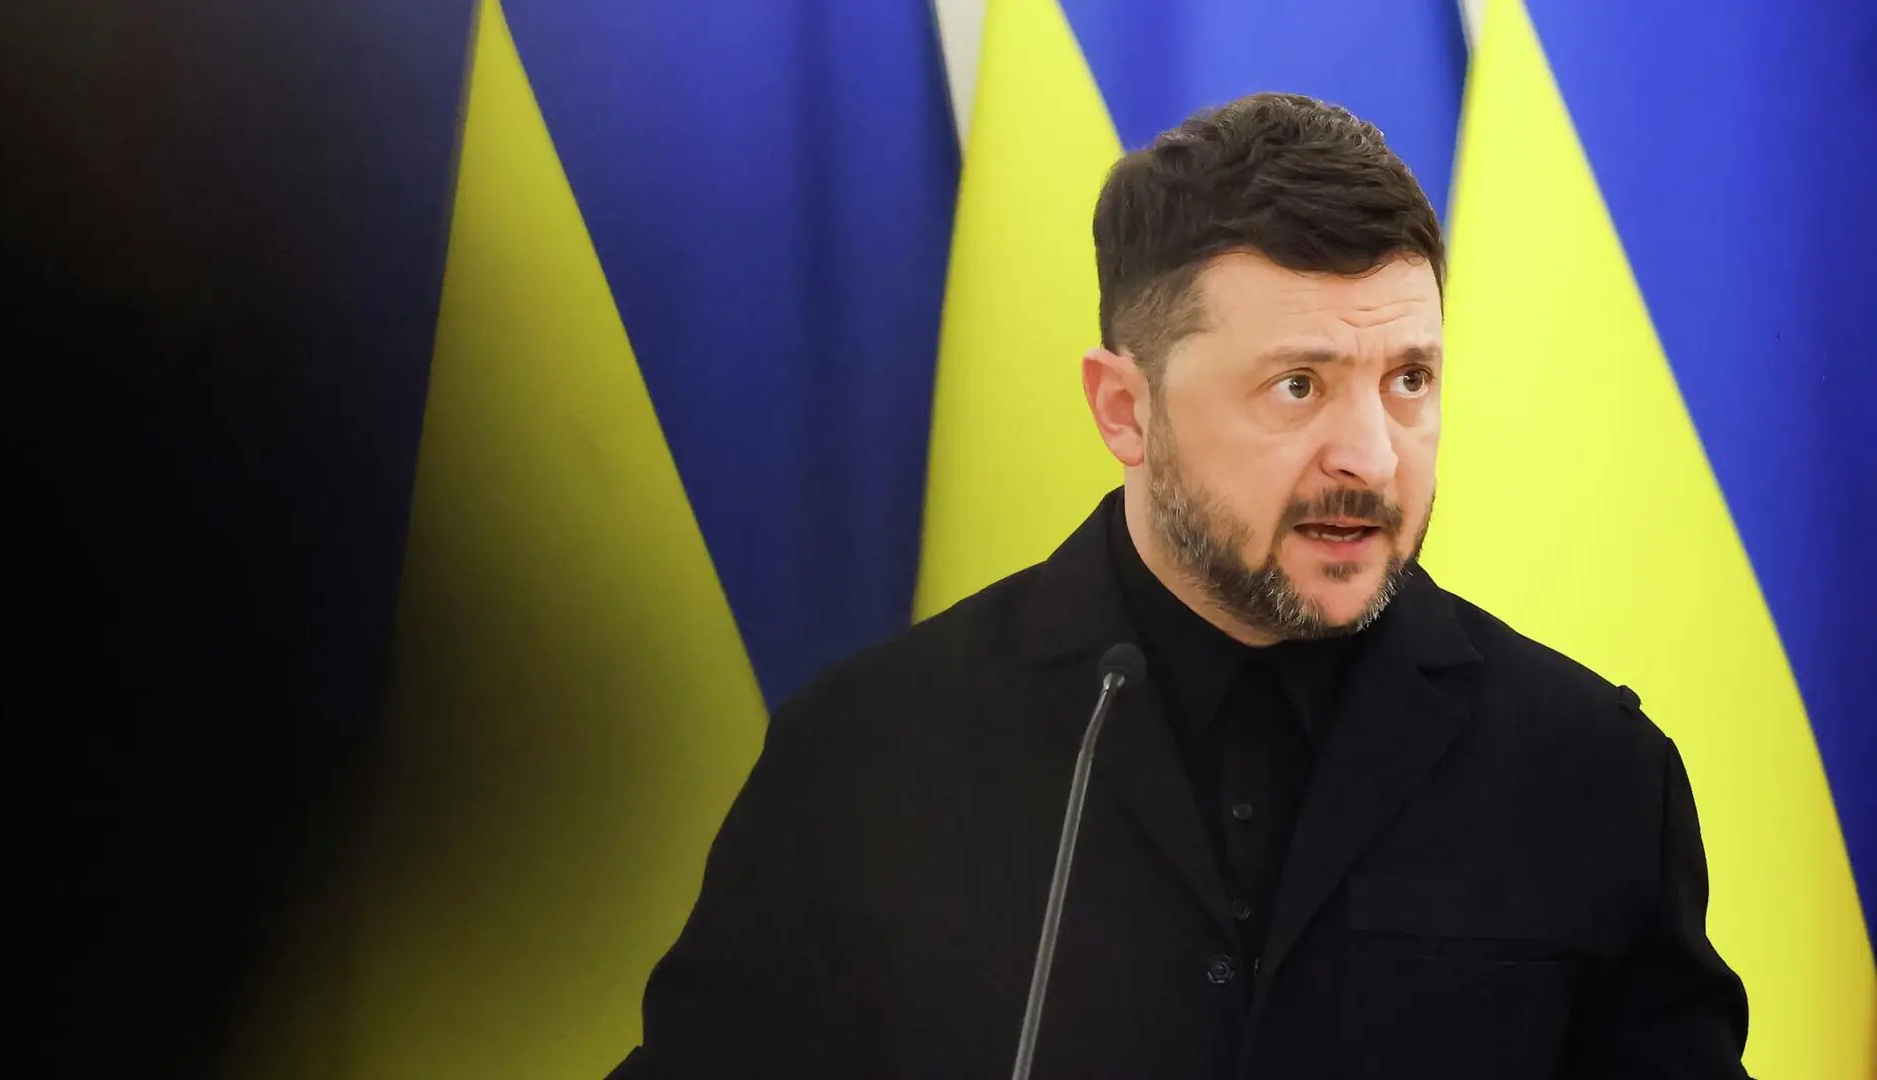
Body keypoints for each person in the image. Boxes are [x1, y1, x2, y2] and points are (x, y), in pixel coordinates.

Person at [608, 93, 1750, 1079]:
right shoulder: (871, 754)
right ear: (1125, 409)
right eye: (1299, 386)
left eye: (1409, 380)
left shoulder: (1593, 776)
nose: (1372, 456)